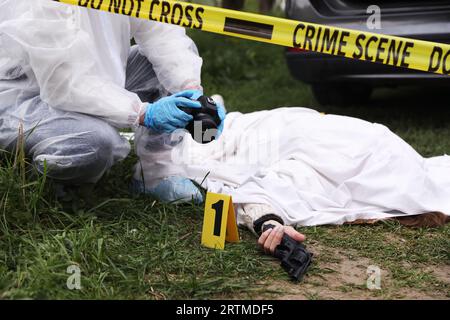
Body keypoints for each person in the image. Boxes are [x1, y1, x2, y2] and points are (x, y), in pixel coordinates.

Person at [134, 106, 450, 255]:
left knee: (198, 144)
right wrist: (270, 222)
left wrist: (270, 222)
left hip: (267, 124)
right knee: (196, 154)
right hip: (256, 131)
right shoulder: (347, 174)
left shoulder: (398, 155)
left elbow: (263, 193)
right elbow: (258, 190)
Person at [0, 0, 225, 201]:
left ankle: (157, 171)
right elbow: (64, 82)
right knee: (94, 143)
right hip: (26, 100)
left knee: (164, 67)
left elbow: (161, 30)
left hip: (95, 82)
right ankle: (41, 179)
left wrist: (191, 90)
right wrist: (142, 112)